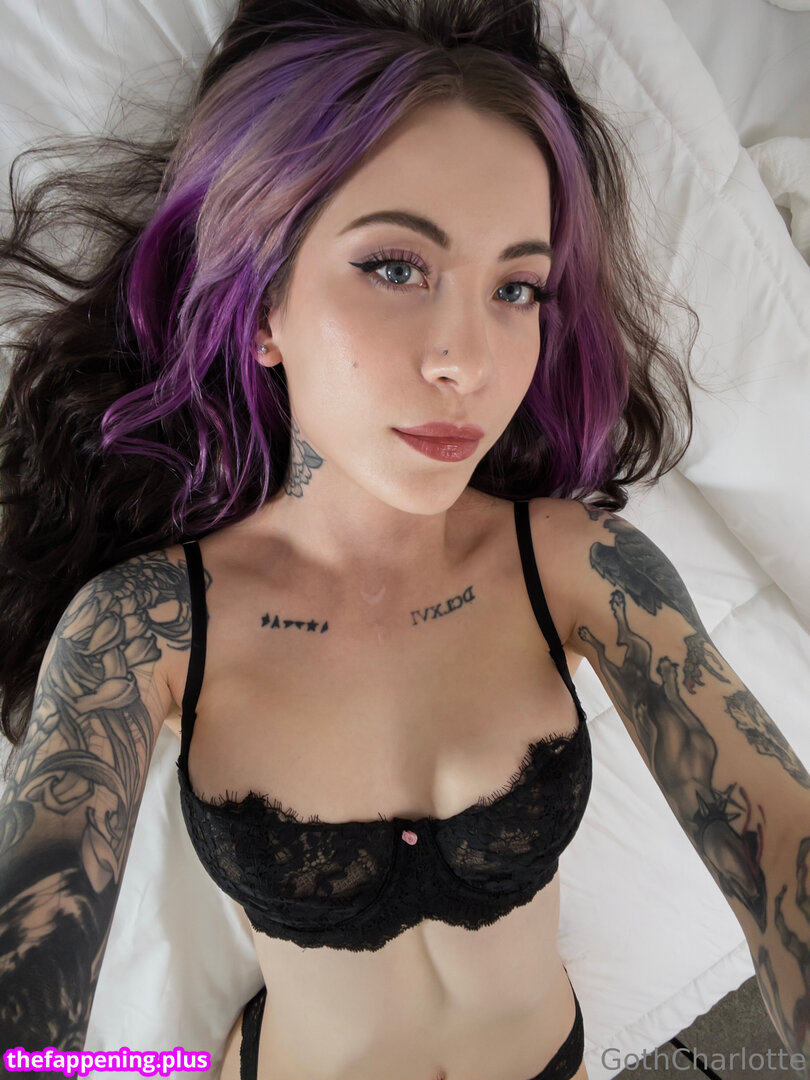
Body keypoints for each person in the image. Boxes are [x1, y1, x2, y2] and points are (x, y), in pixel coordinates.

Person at [0, 1, 808, 1078]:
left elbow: (777, 843)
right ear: (262, 305)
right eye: (395, 267)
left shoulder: (580, 565)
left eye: (516, 288)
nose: (466, 362)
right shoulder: (143, 626)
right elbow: (29, 991)